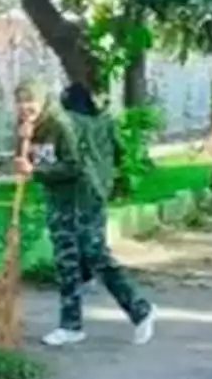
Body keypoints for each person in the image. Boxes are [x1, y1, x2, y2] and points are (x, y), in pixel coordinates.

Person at [14, 78, 156, 347]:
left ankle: (140, 309)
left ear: (43, 100)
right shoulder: (31, 127)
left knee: (95, 255)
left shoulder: (61, 124)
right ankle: (71, 326)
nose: (25, 107)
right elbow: (36, 159)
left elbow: (74, 166)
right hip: (58, 199)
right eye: (20, 102)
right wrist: (24, 145)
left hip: (84, 196)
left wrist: (35, 171)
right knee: (66, 260)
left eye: (30, 100)